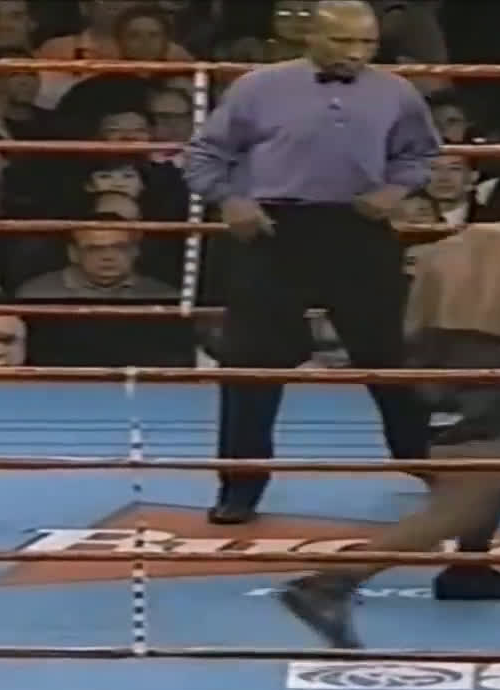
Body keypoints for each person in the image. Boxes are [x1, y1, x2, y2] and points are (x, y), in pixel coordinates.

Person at [277, 169, 500, 648]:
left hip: (437, 358)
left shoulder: (450, 245)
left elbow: (414, 322)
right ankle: (328, 584)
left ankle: (469, 570)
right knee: (466, 498)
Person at [184, 0, 440, 524]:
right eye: (344, 41)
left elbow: (420, 154)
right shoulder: (258, 87)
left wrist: (395, 190)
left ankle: (421, 458)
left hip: (357, 226)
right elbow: (205, 155)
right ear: (311, 37)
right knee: (251, 363)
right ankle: (240, 487)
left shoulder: (396, 91)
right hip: (274, 228)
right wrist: (230, 200)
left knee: (390, 353)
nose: (356, 53)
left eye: (367, 43)